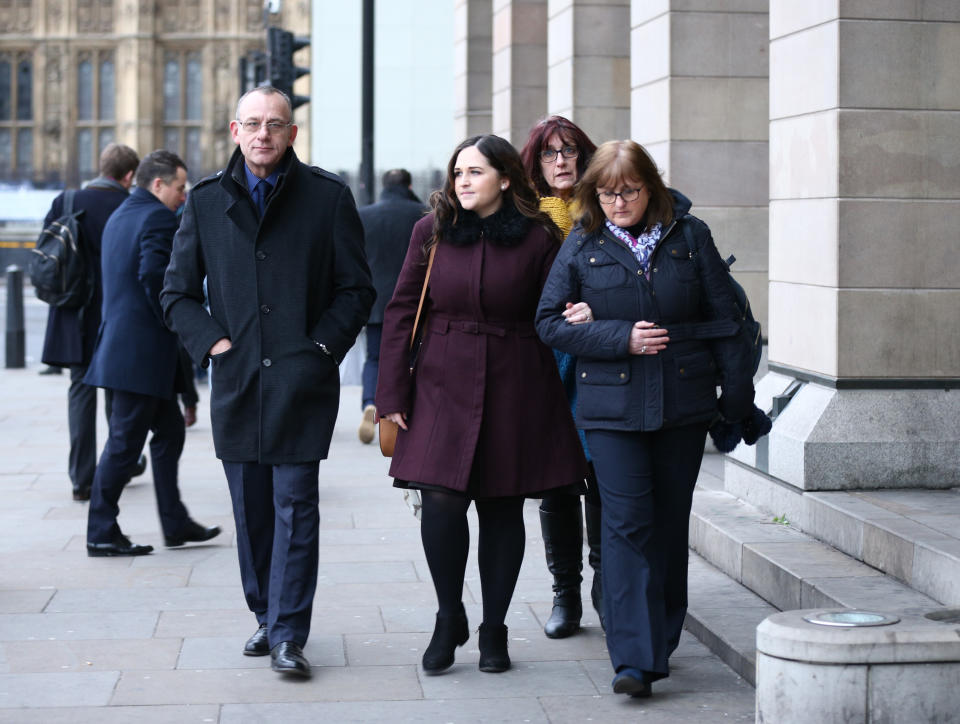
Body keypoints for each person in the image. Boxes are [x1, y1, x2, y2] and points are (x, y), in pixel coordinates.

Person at [161, 86, 374, 679]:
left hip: (302, 383)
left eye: (275, 124)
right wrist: (214, 344)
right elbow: (176, 293)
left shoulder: (327, 197)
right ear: (235, 130)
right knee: (251, 512)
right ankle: (265, 611)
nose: (263, 135)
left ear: (291, 133)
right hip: (237, 382)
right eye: (253, 124)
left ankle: (288, 632)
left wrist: (322, 349)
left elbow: (355, 290)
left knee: (296, 508)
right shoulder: (204, 201)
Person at [535, 140, 755, 698]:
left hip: (682, 405)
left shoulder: (690, 237)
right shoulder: (583, 243)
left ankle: (661, 634)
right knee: (626, 524)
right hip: (609, 409)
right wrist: (617, 336)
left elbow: (726, 322)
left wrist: (736, 403)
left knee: (666, 523)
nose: (617, 203)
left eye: (627, 191)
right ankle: (633, 658)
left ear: (650, 187)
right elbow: (548, 323)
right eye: (606, 194)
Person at [376, 134, 587, 676]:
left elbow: (556, 307)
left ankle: (495, 627)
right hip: (441, 381)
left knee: (501, 509)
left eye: (474, 172)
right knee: (441, 502)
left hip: (518, 380)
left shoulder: (540, 238)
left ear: (506, 178)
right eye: (458, 172)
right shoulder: (432, 231)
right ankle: (450, 616)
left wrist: (581, 316)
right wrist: (391, 393)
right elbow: (402, 311)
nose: (462, 181)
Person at [84, 149, 221, 558]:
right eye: (180, 188)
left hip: (127, 350)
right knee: (124, 444)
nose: (184, 196)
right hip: (140, 354)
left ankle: (175, 522)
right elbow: (154, 278)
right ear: (158, 184)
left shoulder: (122, 214)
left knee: (169, 432)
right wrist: (178, 318)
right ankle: (100, 530)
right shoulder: (158, 218)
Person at [519, 116, 601, 638]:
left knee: (603, 481)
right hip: (546, 364)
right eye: (549, 154)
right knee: (556, 484)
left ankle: (605, 589)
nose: (561, 162)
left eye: (569, 151)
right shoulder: (526, 221)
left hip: (603, 361)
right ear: (535, 163)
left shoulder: (607, 211)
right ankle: (564, 594)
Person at [38, 143, 147, 501]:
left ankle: (82, 478)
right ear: (129, 176)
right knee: (118, 394)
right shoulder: (129, 207)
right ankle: (121, 464)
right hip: (115, 315)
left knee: (80, 395)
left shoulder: (66, 201)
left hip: (74, 313)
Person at [356, 168, 426, 444]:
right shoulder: (423, 214)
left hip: (376, 300)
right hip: (415, 301)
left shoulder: (365, 215)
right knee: (411, 358)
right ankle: (404, 412)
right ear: (409, 185)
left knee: (375, 356)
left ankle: (370, 403)